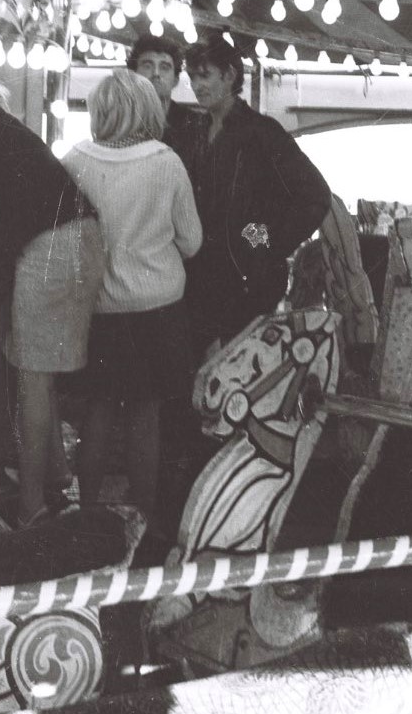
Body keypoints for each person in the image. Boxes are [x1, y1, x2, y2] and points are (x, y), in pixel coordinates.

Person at [0, 66, 104, 528]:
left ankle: (31, 505)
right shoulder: (5, 128)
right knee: (38, 372)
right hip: (81, 238)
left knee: (32, 375)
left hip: (50, 246)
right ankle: (55, 475)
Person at [61, 70, 201, 527]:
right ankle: (144, 520)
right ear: (148, 110)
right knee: (146, 416)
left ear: (99, 111)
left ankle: (85, 515)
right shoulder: (167, 162)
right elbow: (192, 241)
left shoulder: (74, 160)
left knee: (97, 412)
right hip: (157, 310)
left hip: (97, 310)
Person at [183, 34, 332, 355]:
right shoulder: (196, 131)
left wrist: (264, 242)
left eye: (205, 75)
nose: (196, 85)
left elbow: (315, 194)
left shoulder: (262, 133)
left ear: (229, 75)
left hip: (245, 282)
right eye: (192, 76)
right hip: (203, 280)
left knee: (236, 371)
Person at [127, 33, 200, 167]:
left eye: (164, 67)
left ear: (176, 80)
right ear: (132, 75)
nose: (156, 73)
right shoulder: (121, 121)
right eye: (147, 65)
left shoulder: (195, 125)